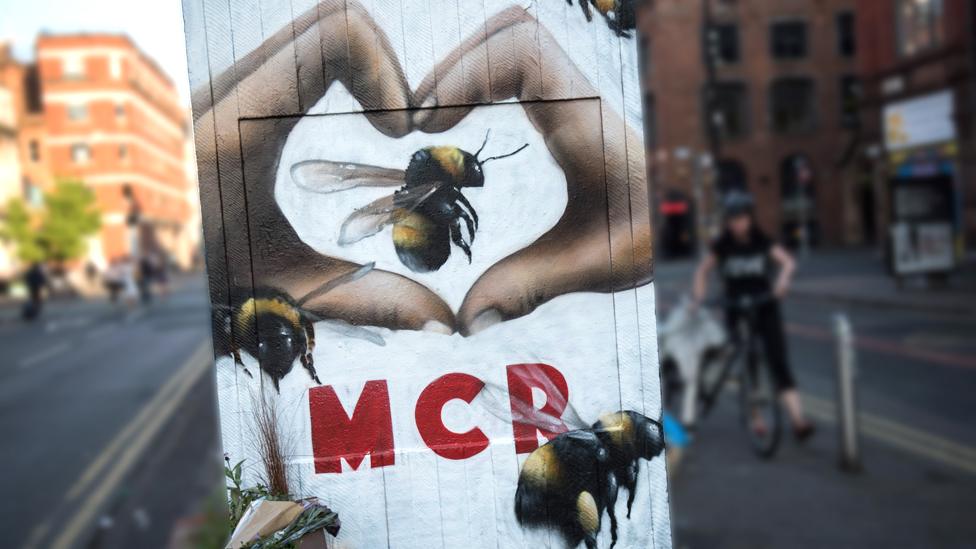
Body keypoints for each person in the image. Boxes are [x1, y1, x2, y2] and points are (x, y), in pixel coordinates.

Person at [692, 191, 815, 441]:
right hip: (736, 309)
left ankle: (798, 420)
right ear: (728, 221)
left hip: (764, 306)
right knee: (750, 363)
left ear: (750, 218)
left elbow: (787, 263)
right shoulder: (722, 245)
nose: (739, 223)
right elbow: (702, 272)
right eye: (734, 219)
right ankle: (756, 417)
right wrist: (698, 299)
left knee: (778, 360)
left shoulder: (762, 241)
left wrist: (782, 282)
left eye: (743, 218)